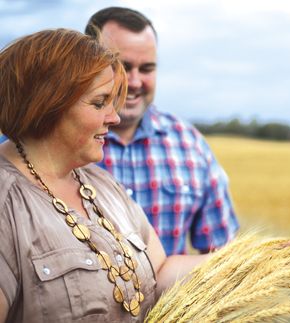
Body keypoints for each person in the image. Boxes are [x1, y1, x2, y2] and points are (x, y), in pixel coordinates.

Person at [0, 28, 211, 322]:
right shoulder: (6, 203)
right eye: (99, 103)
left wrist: (252, 260)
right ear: (47, 104)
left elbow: (160, 272)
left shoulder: (100, 183)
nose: (114, 116)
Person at [84, 7, 239, 256]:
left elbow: (223, 255)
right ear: (87, 64)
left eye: (146, 69)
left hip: (174, 296)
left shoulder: (190, 145)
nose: (134, 82)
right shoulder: (47, 143)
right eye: (121, 67)